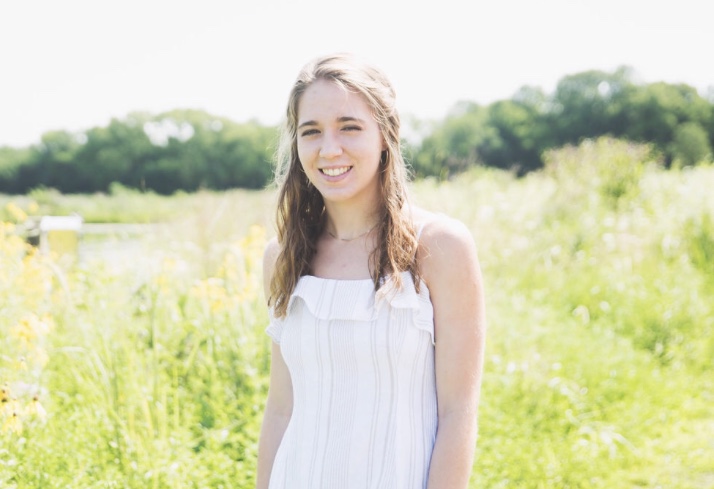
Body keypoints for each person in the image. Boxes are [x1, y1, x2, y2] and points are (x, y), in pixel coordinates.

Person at [256, 52, 486, 489]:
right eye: (312, 132)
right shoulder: (283, 256)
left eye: (349, 127)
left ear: (385, 135)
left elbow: (458, 412)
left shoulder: (439, 247)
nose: (329, 149)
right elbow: (282, 408)